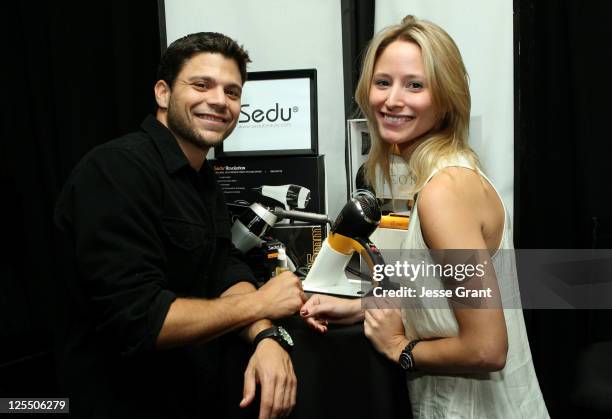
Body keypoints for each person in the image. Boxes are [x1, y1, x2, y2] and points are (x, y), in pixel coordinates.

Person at [300, 15, 549, 418]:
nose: (392, 99)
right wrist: (364, 307)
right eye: (383, 82)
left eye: (415, 85)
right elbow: (451, 299)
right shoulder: (452, 174)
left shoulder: (444, 192)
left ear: (446, 97)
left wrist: (399, 349)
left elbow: (487, 347)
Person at [54, 32, 306, 419]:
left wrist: (266, 335)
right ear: (162, 93)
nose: (219, 101)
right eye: (201, 85)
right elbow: (142, 320)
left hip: (193, 395)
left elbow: (224, 267)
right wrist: (261, 302)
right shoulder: (115, 171)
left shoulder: (201, 176)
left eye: (232, 92)